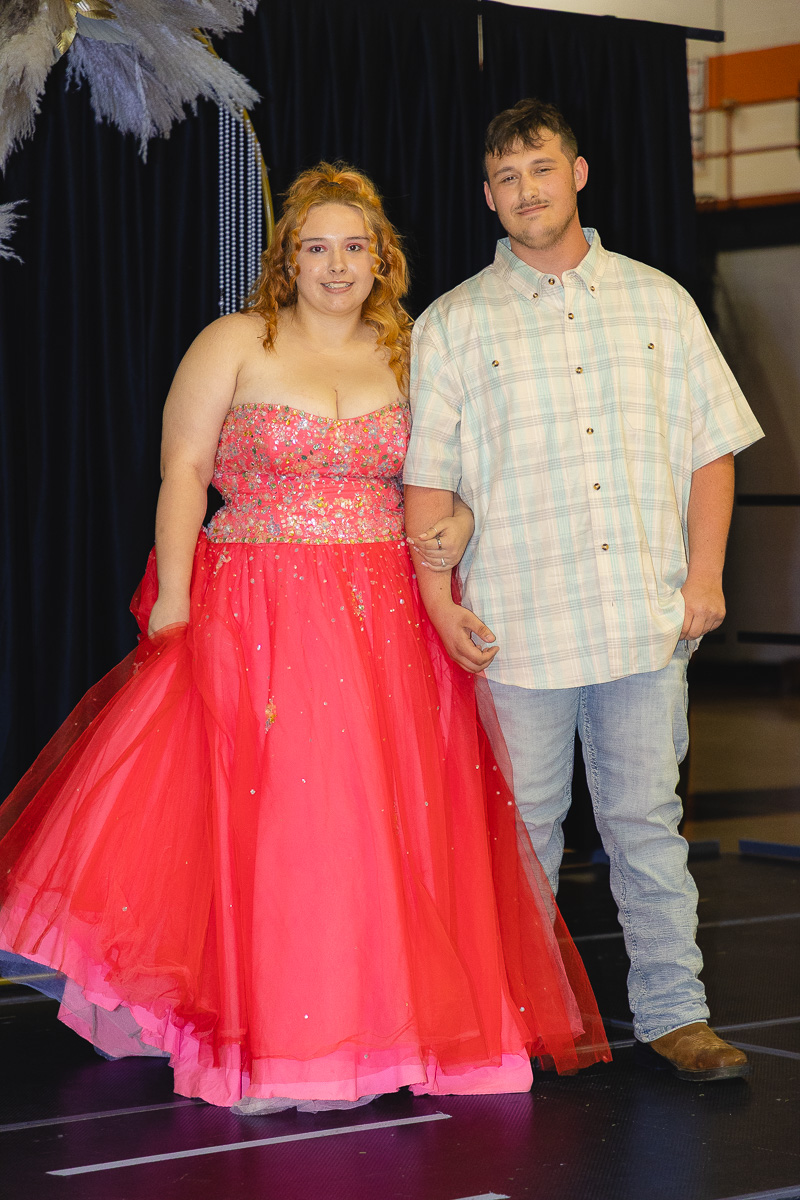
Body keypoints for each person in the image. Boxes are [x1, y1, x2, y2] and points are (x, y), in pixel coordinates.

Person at [0, 162, 610, 1112]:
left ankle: (386, 1029)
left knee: (381, 824)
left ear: (381, 259)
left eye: (354, 247)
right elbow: (182, 469)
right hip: (259, 609)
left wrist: (457, 525)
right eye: (316, 247)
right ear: (287, 258)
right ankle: (282, 1036)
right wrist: (173, 601)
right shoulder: (236, 341)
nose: (336, 265)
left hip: (385, 617)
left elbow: (449, 477)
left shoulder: (410, 350)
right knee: (283, 819)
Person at [404, 99, 764, 1082]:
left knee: (646, 828)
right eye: (506, 177)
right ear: (487, 196)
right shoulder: (450, 324)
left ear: (578, 174)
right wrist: (440, 604)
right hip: (515, 629)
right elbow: (427, 484)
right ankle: (516, 1025)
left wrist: (704, 576)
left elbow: (712, 450)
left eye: (541, 169)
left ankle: (675, 1018)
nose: (526, 190)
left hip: (642, 622)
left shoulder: (659, 302)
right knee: (519, 837)